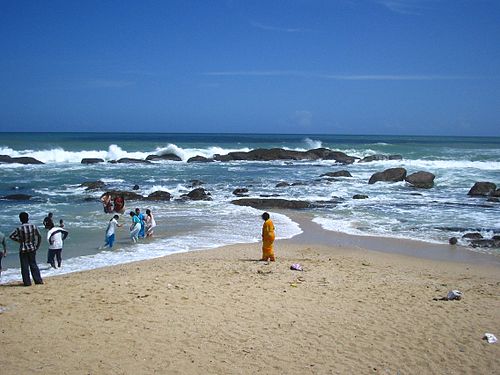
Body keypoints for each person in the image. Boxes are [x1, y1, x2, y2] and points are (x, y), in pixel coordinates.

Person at [9, 212, 43, 286]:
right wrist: (37, 245)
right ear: (28, 218)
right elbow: (39, 236)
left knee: (24, 267)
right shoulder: (33, 226)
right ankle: (38, 280)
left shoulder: (19, 228)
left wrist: (19, 241)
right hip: (32, 248)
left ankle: (27, 282)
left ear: (20, 219)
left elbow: (11, 236)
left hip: (23, 249)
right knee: (33, 264)